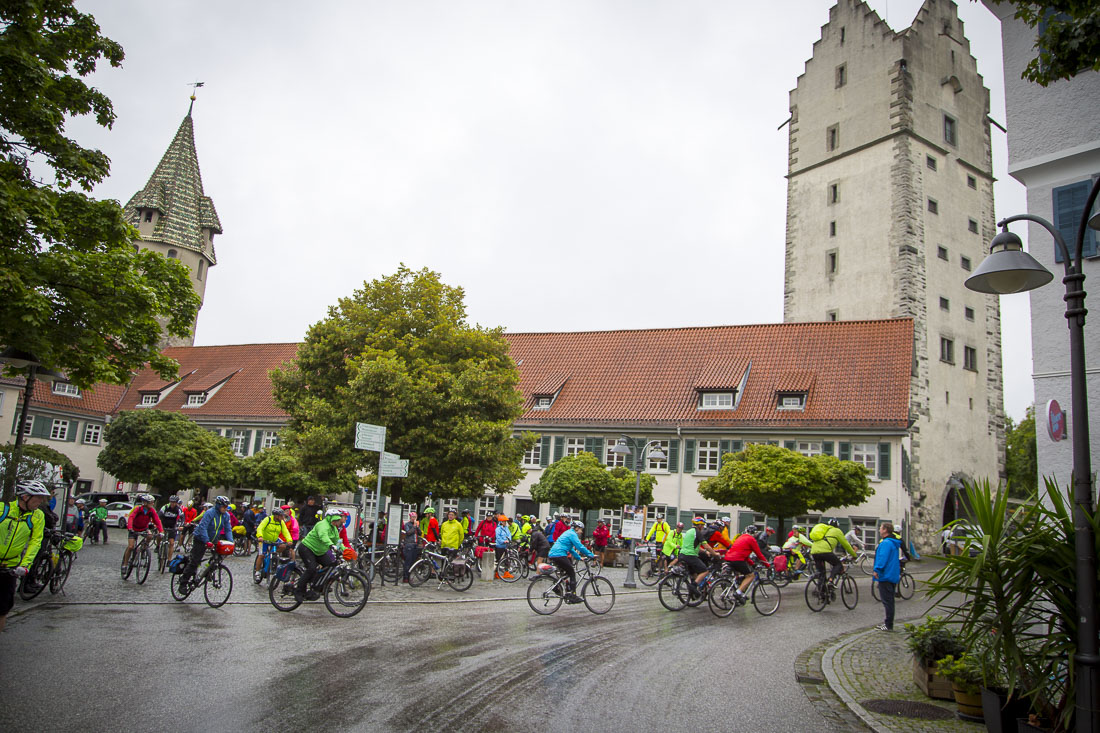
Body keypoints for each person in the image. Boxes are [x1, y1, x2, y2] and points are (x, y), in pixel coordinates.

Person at [0, 480, 50, 632]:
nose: (40, 502)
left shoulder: (37, 516)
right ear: (25, 497)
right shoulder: (3, 509)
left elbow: (35, 541)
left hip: (10, 566)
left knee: (2, 608)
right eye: (38, 498)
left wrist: (25, 565)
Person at [178, 496, 233, 589]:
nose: (225, 508)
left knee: (217, 558)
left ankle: (207, 572)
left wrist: (231, 542)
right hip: (200, 538)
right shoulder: (210, 513)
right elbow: (203, 527)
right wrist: (206, 541)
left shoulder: (226, 515)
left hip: (213, 539)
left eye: (226, 507)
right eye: (224, 506)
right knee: (195, 561)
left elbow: (228, 529)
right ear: (218, 505)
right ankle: (183, 583)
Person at [295, 508, 345, 602]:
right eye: (334, 520)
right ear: (329, 518)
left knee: (330, 565)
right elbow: (323, 536)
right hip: (307, 548)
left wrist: (346, 550)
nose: (336, 522)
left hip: (320, 551)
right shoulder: (322, 525)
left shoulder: (334, 529)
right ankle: (299, 591)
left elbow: (338, 541)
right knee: (311, 568)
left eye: (337, 520)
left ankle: (316, 586)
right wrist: (331, 545)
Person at [547, 519, 595, 604]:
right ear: (577, 528)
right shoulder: (572, 534)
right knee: (572, 572)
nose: (581, 532)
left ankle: (557, 588)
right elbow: (579, 546)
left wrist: (579, 558)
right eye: (581, 529)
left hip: (554, 554)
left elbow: (571, 549)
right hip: (559, 554)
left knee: (566, 573)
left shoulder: (568, 533)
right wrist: (591, 555)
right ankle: (573, 596)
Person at [724, 526, 772, 599]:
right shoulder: (751, 539)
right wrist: (767, 564)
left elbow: (744, 555)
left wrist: (752, 564)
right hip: (738, 559)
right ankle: (738, 592)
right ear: (754, 533)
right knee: (751, 576)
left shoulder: (740, 537)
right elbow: (759, 554)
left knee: (741, 574)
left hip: (728, 558)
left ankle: (739, 591)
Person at [809, 518, 857, 588]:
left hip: (814, 552)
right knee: (838, 564)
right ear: (837, 526)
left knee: (822, 573)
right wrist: (854, 555)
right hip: (825, 551)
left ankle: (821, 591)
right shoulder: (837, 531)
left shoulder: (824, 530)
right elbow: (846, 545)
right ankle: (830, 581)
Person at [678, 517, 720, 597]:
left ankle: (693, 594)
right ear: (699, 525)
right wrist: (715, 554)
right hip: (690, 556)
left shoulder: (689, 531)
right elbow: (706, 545)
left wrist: (705, 552)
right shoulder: (697, 533)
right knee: (705, 571)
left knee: (694, 573)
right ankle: (693, 587)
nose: (703, 527)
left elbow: (695, 546)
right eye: (703, 525)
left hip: (682, 555)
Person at [873, 522, 902, 631]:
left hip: (885, 575)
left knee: (887, 601)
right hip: (892, 574)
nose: (879, 530)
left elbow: (882, 557)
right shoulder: (893, 542)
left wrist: (877, 569)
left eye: (881, 528)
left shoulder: (886, 543)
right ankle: (889, 623)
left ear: (885, 530)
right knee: (890, 601)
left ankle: (888, 624)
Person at [122, 494, 164, 571]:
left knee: (150, 536)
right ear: (145, 503)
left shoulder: (152, 511)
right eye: (151, 502)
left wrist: (161, 531)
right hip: (134, 528)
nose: (152, 504)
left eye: (153, 502)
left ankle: (144, 548)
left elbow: (157, 520)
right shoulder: (138, 509)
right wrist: (130, 528)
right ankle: (125, 564)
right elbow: (131, 517)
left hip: (144, 528)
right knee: (131, 547)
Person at [255, 507, 293, 575]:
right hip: (264, 540)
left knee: (283, 546)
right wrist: (260, 536)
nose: (282, 517)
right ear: (276, 516)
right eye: (281, 516)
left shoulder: (281, 522)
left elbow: (285, 531)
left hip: (274, 539)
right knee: (261, 556)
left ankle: (273, 555)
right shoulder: (268, 519)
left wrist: (289, 540)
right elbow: (260, 528)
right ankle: (257, 571)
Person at [400, 511, 420, 583]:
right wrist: (414, 526)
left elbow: (420, 533)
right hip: (409, 544)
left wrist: (417, 527)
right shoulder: (407, 524)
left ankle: (409, 576)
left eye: (415, 517)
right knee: (408, 562)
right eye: (413, 517)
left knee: (413, 562)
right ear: (410, 517)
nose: (414, 518)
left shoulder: (416, 524)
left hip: (415, 544)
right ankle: (405, 577)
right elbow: (408, 533)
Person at [494, 515, 513, 580]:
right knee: (498, 559)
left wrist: (508, 540)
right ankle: (496, 573)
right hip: (499, 546)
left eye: (505, 521)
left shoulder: (506, 528)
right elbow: (498, 537)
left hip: (506, 546)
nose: (505, 523)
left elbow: (509, 534)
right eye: (504, 521)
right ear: (501, 522)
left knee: (507, 559)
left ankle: (506, 572)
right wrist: (503, 541)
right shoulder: (498, 529)